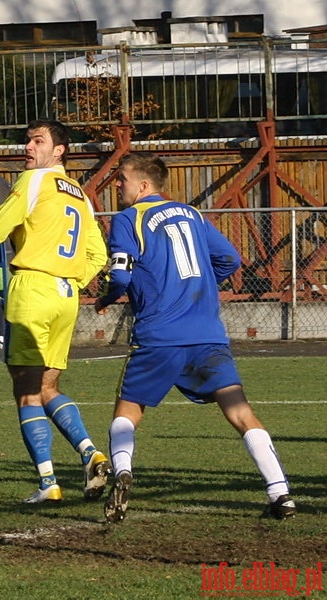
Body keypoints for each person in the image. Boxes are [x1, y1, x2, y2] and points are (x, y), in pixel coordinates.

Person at [94, 151, 295, 522]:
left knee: (127, 412)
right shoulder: (193, 214)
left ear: (143, 185)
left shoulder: (128, 218)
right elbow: (231, 260)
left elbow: (120, 274)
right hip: (207, 334)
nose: (116, 185)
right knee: (239, 411)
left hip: (159, 335)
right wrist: (193, 287)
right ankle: (280, 491)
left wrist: (107, 297)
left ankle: (122, 472)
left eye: (121, 178)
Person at [0, 119, 110, 504]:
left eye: (38, 141)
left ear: (59, 151)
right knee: (48, 386)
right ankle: (91, 452)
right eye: (27, 141)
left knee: (26, 392)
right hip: (66, 295)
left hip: (33, 290)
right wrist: (71, 276)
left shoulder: (33, 181)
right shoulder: (81, 195)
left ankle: (48, 482)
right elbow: (98, 255)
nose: (28, 147)